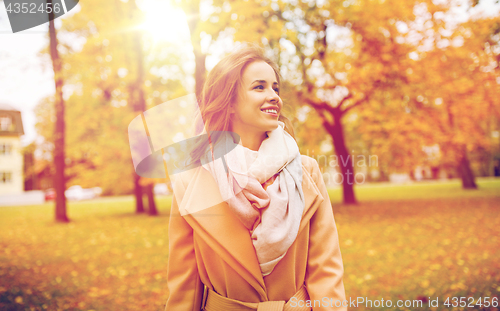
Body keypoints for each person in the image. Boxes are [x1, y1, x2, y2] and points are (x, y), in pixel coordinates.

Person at [164, 43, 346, 311]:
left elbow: (326, 271)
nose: (273, 96)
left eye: (275, 87)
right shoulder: (191, 180)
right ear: (230, 103)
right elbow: (184, 285)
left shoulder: (305, 172)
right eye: (259, 87)